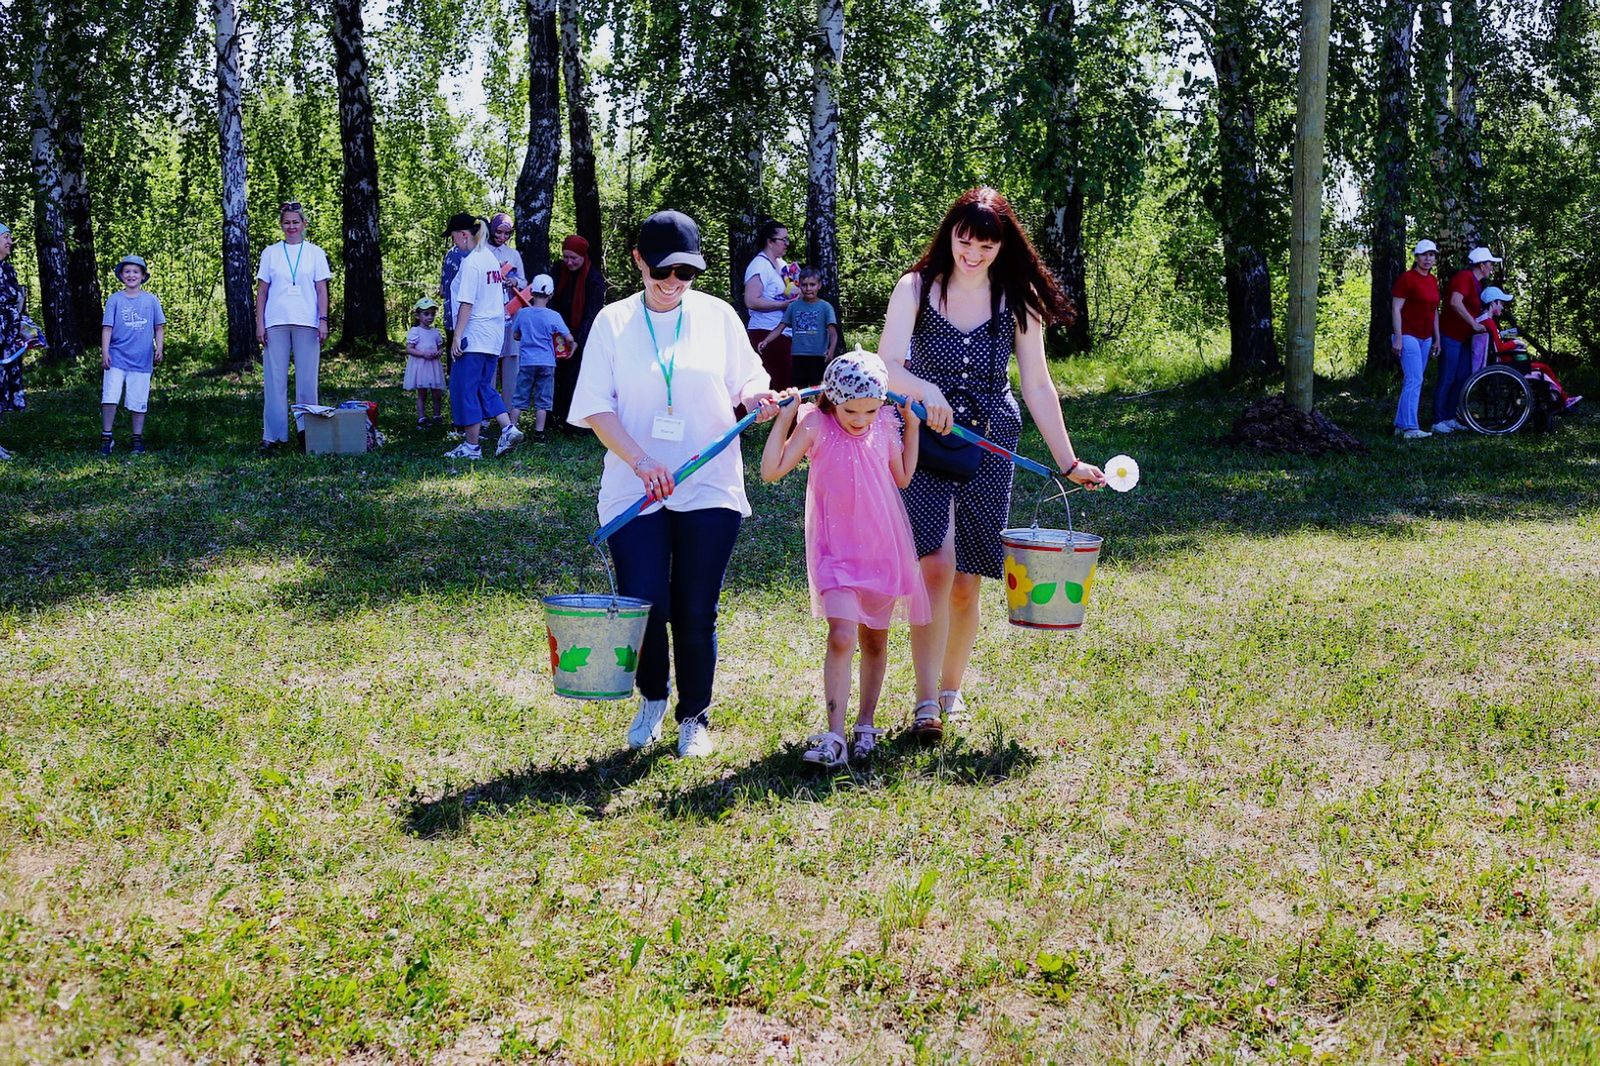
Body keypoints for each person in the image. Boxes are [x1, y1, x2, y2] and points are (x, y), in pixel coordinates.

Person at [879, 187, 1105, 743]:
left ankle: (952, 694)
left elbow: (1037, 384)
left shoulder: (1019, 299)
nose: (973, 253)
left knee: (966, 580)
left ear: (1003, 245)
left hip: (991, 443)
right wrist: (925, 388)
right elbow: (885, 366)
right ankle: (925, 703)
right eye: (964, 240)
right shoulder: (916, 287)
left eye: (985, 243)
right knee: (933, 564)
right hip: (922, 439)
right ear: (950, 234)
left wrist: (1067, 460)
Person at [568, 210, 780, 758]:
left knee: (694, 608)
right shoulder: (613, 323)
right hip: (633, 490)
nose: (673, 285)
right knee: (646, 603)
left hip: (708, 486)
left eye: (685, 274)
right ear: (638, 261)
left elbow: (749, 377)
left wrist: (758, 397)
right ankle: (653, 697)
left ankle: (695, 716)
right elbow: (595, 407)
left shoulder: (719, 316)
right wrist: (641, 462)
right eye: (663, 272)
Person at [760, 350, 927, 768]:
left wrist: (913, 427)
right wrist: (786, 417)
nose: (860, 419)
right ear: (832, 399)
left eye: (870, 410)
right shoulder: (816, 424)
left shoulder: (885, 424)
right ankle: (834, 734)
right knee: (840, 635)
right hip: (835, 552)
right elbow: (771, 470)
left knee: (875, 638)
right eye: (851, 410)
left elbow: (903, 475)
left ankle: (865, 725)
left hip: (881, 549)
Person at [443, 212, 524, 460]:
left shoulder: (472, 262)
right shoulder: (490, 258)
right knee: (482, 386)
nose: (454, 242)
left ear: (464, 235)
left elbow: (466, 302)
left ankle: (471, 446)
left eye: (454, 237)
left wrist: (457, 336)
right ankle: (508, 428)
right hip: (493, 334)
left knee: (464, 388)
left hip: (474, 334)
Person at [254, 201, 332, 455]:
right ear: (281, 225)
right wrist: (259, 323)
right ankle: (273, 436)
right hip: (276, 321)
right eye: (286, 222)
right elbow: (262, 292)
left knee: (307, 381)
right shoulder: (270, 253)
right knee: (274, 380)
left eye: (295, 222)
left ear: (304, 224)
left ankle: (307, 433)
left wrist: (323, 320)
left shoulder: (315, 253)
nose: (291, 227)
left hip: (307, 322)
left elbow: (322, 289)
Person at [98, 255, 166, 456]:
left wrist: (159, 348)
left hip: (141, 359)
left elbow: (159, 327)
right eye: (127, 271)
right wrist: (105, 352)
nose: (131, 275)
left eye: (136, 272)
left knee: (138, 399)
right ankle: (106, 436)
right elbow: (107, 328)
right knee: (110, 396)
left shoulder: (151, 300)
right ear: (121, 275)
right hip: (117, 357)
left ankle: (137, 439)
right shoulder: (115, 299)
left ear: (143, 276)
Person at [1477, 287, 1581, 411]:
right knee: (1544, 368)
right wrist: (1515, 343)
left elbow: (1496, 344)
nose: (1502, 307)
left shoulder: (1482, 320)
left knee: (1541, 367)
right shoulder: (1489, 322)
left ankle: (1559, 399)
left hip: (1497, 363)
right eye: (1501, 303)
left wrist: (1509, 339)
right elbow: (1499, 348)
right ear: (1493, 303)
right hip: (1506, 365)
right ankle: (1563, 399)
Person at [1433, 246, 1501, 434]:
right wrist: (1473, 324)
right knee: (1447, 377)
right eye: (1490, 264)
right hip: (1450, 336)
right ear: (1481, 265)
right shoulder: (1464, 277)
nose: (1491, 267)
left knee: (1462, 377)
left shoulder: (1478, 284)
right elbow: (1455, 302)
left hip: (1463, 338)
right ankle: (1437, 419)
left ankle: (1449, 417)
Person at [550, 234, 607, 431]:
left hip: (582, 336)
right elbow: (552, 303)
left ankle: (574, 423)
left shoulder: (594, 278)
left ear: (583, 256)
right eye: (566, 257)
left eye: (574, 258)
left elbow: (592, 314)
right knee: (555, 377)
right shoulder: (557, 271)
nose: (569, 262)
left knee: (574, 378)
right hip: (557, 333)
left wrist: (576, 341)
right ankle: (553, 416)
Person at [510, 273, 573, 437]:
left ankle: (511, 430)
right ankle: (539, 433)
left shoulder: (523, 314)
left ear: (531, 293)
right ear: (550, 295)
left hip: (526, 363)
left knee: (519, 397)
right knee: (543, 401)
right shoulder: (554, 316)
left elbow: (515, 335)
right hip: (547, 363)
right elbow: (569, 338)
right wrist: (571, 348)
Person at [1390, 239, 1441, 440]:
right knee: (1415, 379)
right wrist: (1398, 338)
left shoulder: (1432, 280)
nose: (1428, 259)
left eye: (1432, 255)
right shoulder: (1407, 279)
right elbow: (1396, 308)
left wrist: (1437, 339)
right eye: (1424, 255)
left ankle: (1400, 425)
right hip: (1408, 335)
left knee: (1412, 381)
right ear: (1416, 257)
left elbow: (1434, 310)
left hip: (1426, 337)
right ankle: (1411, 428)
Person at [759, 266, 839, 389]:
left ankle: (818, 409)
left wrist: (831, 350)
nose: (808, 288)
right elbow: (780, 327)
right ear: (799, 285)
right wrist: (766, 340)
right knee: (798, 392)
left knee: (819, 391)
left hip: (818, 357)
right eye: (804, 285)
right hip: (798, 357)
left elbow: (833, 333)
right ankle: (799, 409)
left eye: (812, 285)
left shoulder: (825, 307)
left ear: (819, 285)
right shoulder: (793, 307)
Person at [743, 219, 800, 390]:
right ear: (770, 241)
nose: (787, 244)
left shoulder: (782, 265)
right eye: (784, 240)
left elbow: (790, 290)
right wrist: (783, 306)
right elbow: (751, 301)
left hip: (784, 333)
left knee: (788, 386)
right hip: (765, 332)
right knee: (781, 389)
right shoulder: (759, 265)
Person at [486, 212, 525, 400]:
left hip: (511, 312)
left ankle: (510, 411)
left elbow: (525, 282)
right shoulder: (482, 251)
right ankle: (487, 410)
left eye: (507, 234)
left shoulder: (513, 254)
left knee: (511, 359)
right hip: (489, 313)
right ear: (492, 230)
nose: (502, 237)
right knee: (489, 359)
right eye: (499, 232)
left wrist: (515, 282)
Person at [0, 222, 30, 461]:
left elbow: (17, 301)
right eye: (6, 237)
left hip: (8, 339)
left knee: (2, 388)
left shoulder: (8, 269)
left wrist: (26, 329)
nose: (10, 241)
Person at [404, 297, 446, 427]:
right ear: (418, 315)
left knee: (437, 393)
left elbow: (440, 347)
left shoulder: (435, 332)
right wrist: (423, 354)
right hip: (422, 366)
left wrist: (439, 352)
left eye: (432, 314)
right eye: (426, 314)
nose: (430, 317)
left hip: (433, 366)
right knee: (422, 393)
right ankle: (422, 417)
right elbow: (409, 349)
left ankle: (437, 415)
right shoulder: (416, 331)